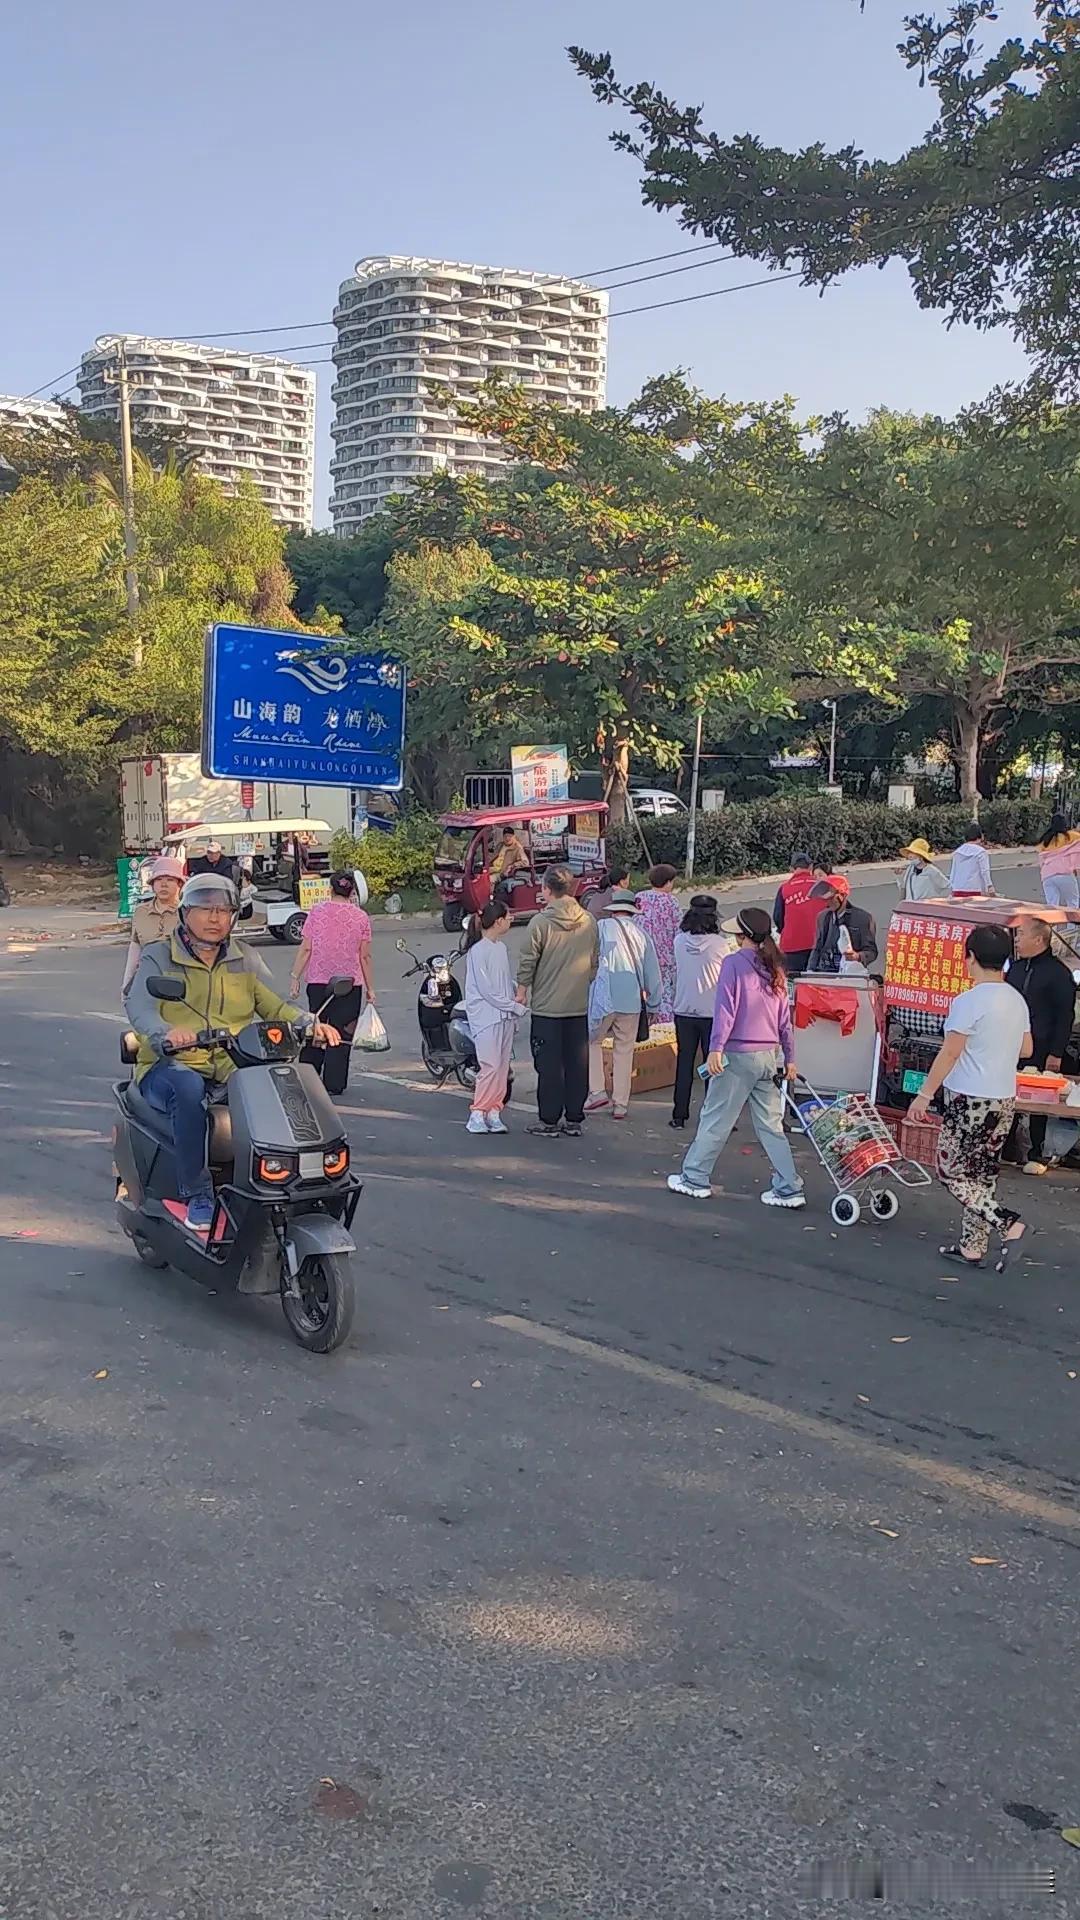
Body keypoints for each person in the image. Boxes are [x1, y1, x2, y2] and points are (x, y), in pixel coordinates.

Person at [125, 872, 338, 1232]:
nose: (215, 918)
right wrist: (164, 1032)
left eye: (224, 911)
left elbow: (273, 1004)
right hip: (171, 1064)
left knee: (283, 1085)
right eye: (205, 910)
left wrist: (307, 1022)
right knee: (188, 1089)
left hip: (231, 1065)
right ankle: (197, 1193)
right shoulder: (158, 956)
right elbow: (139, 1005)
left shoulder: (244, 958)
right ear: (185, 913)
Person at [908, 924, 1030, 1270]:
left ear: (970, 958)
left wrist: (923, 1095)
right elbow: (1026, 1047)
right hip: (1004, 1097)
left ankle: (1009, 1223)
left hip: (969, 1099)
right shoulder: (1015, 999)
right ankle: (972, 1245)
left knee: (951, 1172)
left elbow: (949, 1053)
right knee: (982, 1175)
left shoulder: (968, 1001)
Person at [667, 906, 805, 1209]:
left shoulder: (732, 964)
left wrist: (715, 1048)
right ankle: (789, 1186)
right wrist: (790, 1058)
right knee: (770, 1125)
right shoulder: (776, 968)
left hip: (737, 1054)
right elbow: (785, 1020)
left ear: (740, 935)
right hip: (769, 1056)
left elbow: (725, 1011)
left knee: (716, 1117)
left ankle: (694, 1177)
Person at [515, 865, 599, 1138]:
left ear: (547, 890)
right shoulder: (588, 921)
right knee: (576, 1063)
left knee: (549, 1066)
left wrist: (522, 989)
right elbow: (595, 961)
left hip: (548, 1007)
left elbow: (528, 960)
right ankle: (574, 1117)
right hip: (577, 1004)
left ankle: (549, 1119)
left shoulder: (540, 923)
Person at [289, 870, 374, 1097]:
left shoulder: (316, 912)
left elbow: (306, 948)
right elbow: (364, 956)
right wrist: (370, 988)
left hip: (318, 981)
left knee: (316, 1029)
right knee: (343, 1032)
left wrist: (295, 977)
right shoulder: (361, 917)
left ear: (330, 889)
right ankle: (334, 1084)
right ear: (352, 892)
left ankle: (309, 1077)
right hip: (350, 983)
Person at [1004, 916, 1077, 1173]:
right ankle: (1008, 1148)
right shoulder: (1015, 968)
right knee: (1008, 1095)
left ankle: (1038, 1153)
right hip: (1011, 1044)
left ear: (1038, 939)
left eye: (1021, 934)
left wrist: (1056, 1052)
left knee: (1040, 1100)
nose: (1017, 940)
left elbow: (1065, 1015)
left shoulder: (1058, 973)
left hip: (1043, 1047)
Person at [584, 889, 662, 1120]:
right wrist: (655, 1005)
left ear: (613, 909)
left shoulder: (600, 928)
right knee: (624, 1049)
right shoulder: (642, 934)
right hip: (631, 1000)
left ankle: (597, 1091)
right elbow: (653, 975)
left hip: (603, 998)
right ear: (632, 911)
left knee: (593, 1041)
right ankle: (620, 1103)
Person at [670, 896, 733, 1128]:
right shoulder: (720, 944)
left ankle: (679, 1114)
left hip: (684, 1008)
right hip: (711, 1011)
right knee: (713, 1065)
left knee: (684, 1063)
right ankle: (713, 1113)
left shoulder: (679, 941)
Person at [463, 901, 526, 1135]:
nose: (511, 920)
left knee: (501, 1067)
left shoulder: (500, 948)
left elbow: (502, 982)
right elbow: (486, 989)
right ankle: (477, 1112)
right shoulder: (478, 951)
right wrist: (511, 1005)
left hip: (504, 1016)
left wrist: (514, 997)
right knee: (489, 1065)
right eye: (508, 916)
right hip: (487, 1017)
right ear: (497, 921)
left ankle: (494, 1110)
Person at [121, 855, 184, 992]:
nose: (164, 884)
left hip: (179, 981)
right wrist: (126, 983)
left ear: (179, 884)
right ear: (152, 884)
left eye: (170, 880)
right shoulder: (140, 912)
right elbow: (135, 946)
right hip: (146, 980)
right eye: (159, 880)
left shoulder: (187, 913)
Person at [634, 864, 682, 1019]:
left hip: (641, 952)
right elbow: (679, 929)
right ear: (667, 882)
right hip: (665, 956)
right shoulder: (671, 901)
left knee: (645, 989)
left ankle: (645, 1021)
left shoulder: (639, 897)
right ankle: (663, 1025)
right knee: (664, 992)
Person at [807, 875, 879, 973]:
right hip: (824, 970)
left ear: (843, 895)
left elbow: (872, 952)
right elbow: (817, 948)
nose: (828, 903)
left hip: (850, 972)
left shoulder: (863, 918)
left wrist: (857, 956)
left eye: (831, 899)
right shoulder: (822, 917)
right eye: (825, 900)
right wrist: (810, 970)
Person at [773, 851, 824, 974]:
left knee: (795, 983)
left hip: (792, 946)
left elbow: (778, 917)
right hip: (819, 944)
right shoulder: (821, 886)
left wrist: (785, 930)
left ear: (791, 868)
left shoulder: (784, 888)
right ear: (810, 867)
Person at [1037, 811, 1080, 910]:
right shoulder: (1071, 836)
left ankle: (1052, 925)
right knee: (1073, 901)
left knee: (1052, 905)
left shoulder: (1046, 838)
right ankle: (1071, 926)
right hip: (1065, 873)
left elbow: (1041, 858)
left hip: (1047, 875)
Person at [897, 837, 949, 903]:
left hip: (926, 908)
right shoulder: (910, 869)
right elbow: (903, 888)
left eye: (912, 853)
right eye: (909, 854)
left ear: (921, 856)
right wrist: (899, 876)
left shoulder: (931, 870)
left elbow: (946, 886)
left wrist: (936, 901)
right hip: (910, 908)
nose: (910, 855)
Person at [949, 825, 994, 898]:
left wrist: (951, 889)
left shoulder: (957, 852)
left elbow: (953, 872)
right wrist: (990, 886)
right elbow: (985, 871)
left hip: (957, 889)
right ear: (980, 836)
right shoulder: (981, 852)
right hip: (975, 889)